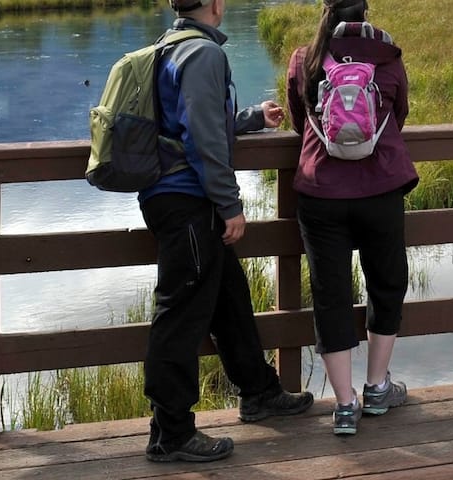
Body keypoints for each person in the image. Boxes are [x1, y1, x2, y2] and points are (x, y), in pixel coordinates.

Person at [138, 0, 312, 463]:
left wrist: (252, 117)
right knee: (179, 315)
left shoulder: (169, 46)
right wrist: (229, 203)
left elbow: (196, 123)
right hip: (188, 201)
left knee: (227, 297)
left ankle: (259, 391)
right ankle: (170, 432)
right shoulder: (204, 54)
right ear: (216, 3)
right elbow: (202, 134)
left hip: (173, 197)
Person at [284, 0, 417, 436]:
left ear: (326, 10)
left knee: (330, 293)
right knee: (387, 281)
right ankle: (378, 386)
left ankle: (344, 406)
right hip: (380, 188)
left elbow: (300, 118)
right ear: (366, 11)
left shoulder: (305, 58)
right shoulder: (388, 57)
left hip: (321, 192)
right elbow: (397, 117)